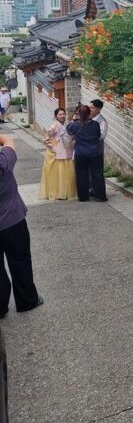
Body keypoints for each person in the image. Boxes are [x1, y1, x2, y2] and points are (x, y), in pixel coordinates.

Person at [0, 132, 43, 319]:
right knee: (20, 260)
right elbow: (9, 140)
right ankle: (27, 300)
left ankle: (0, 306)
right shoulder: (3, 162)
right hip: (12, 221)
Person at [66, 106, 107, 202]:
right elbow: (98, 135)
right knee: (97, 174)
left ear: (79, 114)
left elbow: (69, 130)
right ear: (89, 113)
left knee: (81, 174)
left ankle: (83, 196)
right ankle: (100, 196)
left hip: (81, 153)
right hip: (95, 152)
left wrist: (74, 119)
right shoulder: (95, 124)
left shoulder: (75, 124)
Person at [39, 108, 77, 201]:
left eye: (63, 114)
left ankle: (66, 192)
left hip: (67, 150)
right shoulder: (54, 126)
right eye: (60, 114)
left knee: (67, 173)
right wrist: (53, 148)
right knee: (57, 174)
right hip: (57, 151)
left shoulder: (66, 125)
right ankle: (57, 192)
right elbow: (46, 138)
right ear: (56, 116)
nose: (62, 116)